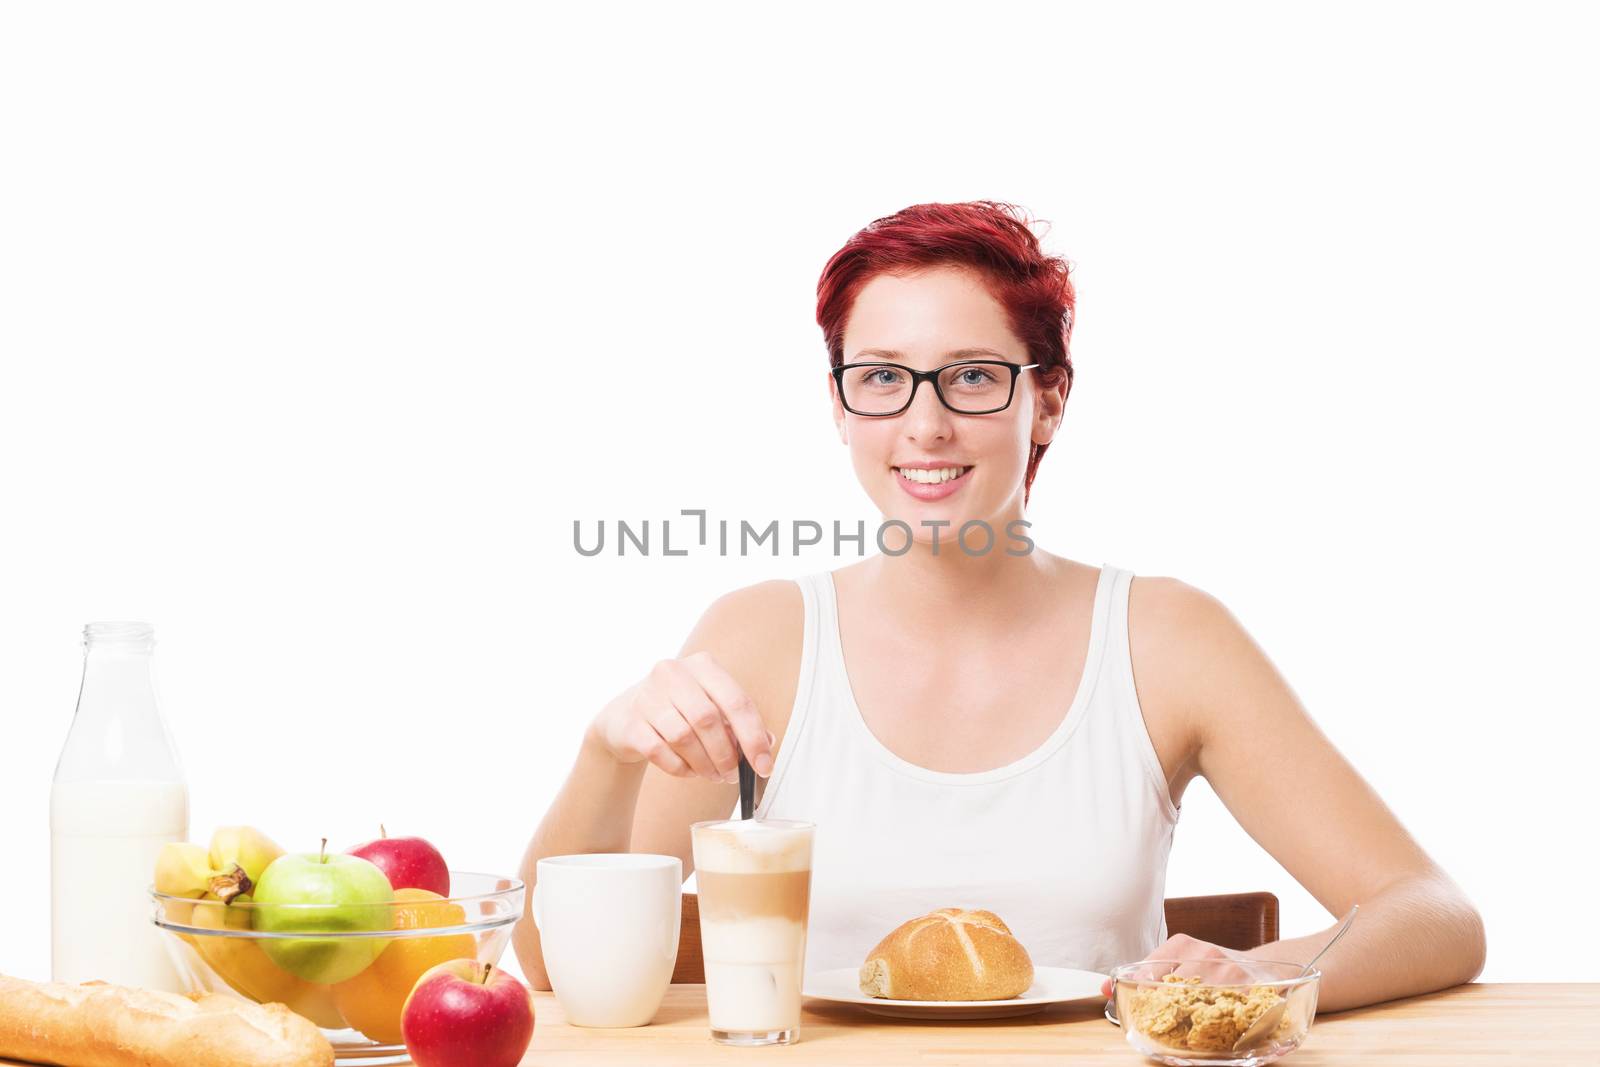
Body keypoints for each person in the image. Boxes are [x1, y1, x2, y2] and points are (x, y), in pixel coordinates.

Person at [513, 201, 1485, 1013]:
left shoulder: (1166, 637)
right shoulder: (759, 635)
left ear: (1048, 401)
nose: (923, 423)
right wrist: (607, 747)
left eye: (972, 376)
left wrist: (1271, 969)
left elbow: (1431, 911)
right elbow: (554, 961)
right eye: (883, 378)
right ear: (841, 405)